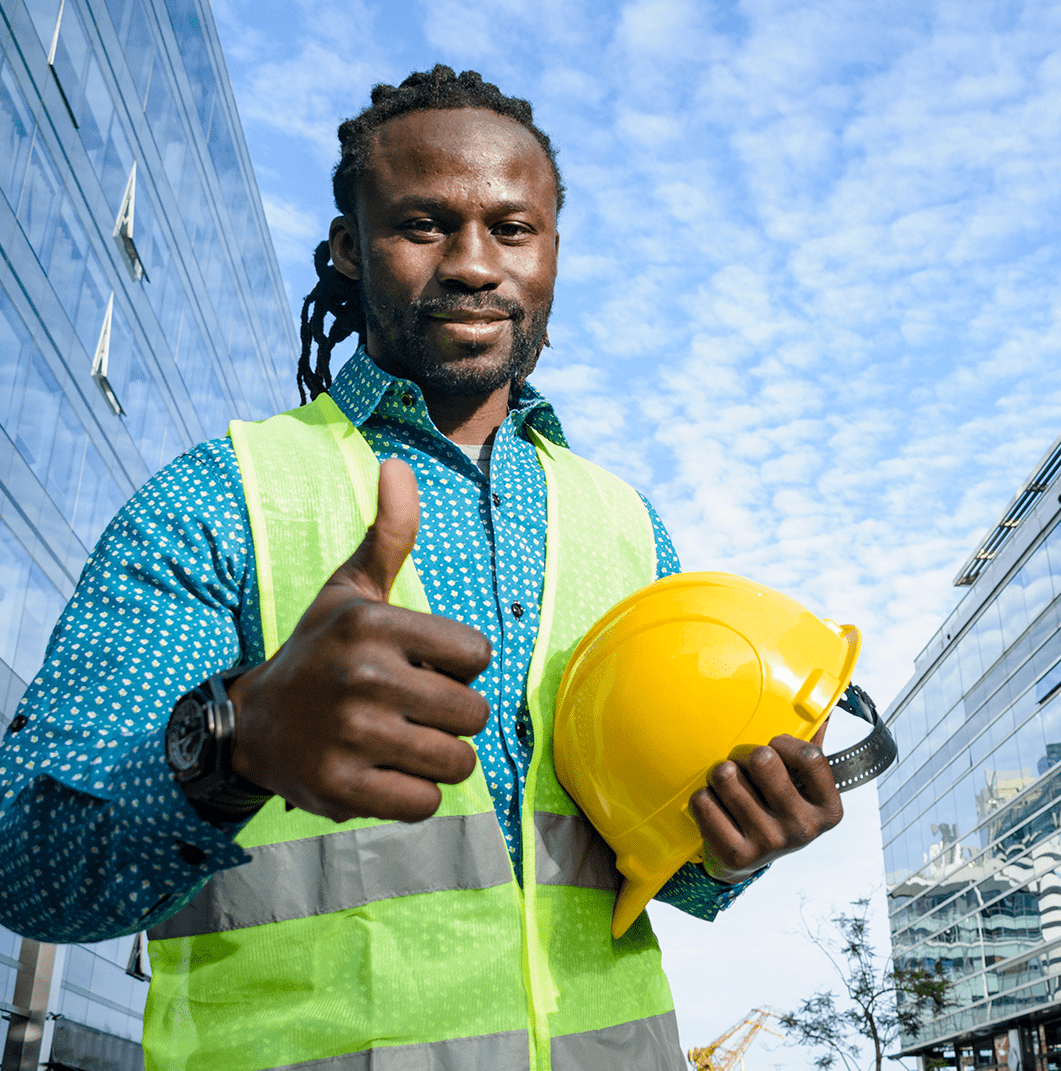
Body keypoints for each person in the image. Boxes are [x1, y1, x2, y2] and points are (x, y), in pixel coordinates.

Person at [0, 66, 844, 1069]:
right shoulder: (220, 498)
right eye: (424, 224)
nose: (474, 265)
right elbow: (27, 862)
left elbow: (634, 866)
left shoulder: (626, 527)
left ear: (552, 254)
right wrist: (234, 742)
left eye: (512, 229)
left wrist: (729, 840)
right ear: (351, 250)